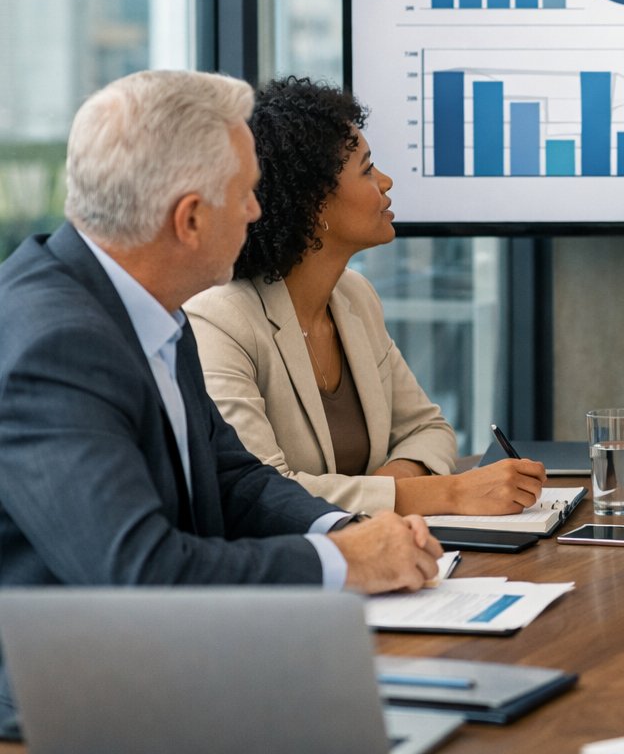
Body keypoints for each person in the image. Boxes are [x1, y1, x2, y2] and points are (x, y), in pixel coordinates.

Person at [0, 71, 444, 739]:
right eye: (243, 195)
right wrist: (345, 563)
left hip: (173, 671)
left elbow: (234, 480)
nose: (258, 213)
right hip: (69, 712)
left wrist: (340, 532)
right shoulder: (56, 342)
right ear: (189, 219)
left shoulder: (146, 303)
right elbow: (139, 572)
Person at [185, 77, 546, 515]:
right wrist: (448, 494)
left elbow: (429, 429)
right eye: (368, 169)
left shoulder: (353, 296)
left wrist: (381, 492)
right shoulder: (219, 320)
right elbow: (261, 494)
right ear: (314, 205)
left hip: (386, 555)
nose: (387, 181)